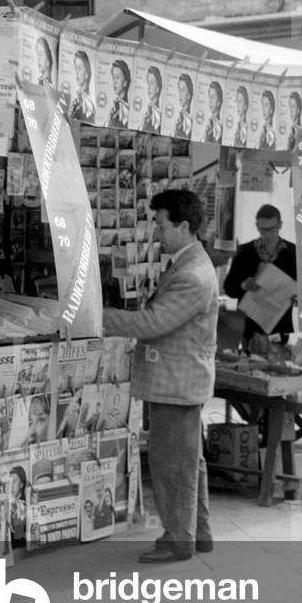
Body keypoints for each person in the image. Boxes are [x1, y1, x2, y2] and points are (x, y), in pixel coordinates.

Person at [102, 189, 217, 563]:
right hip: (179, 379)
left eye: (162, 225)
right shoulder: (186, 264)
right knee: (187, 461)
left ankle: (176, 539)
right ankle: (196, 532)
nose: (157, 233)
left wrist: (95, 316)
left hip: (177, 382)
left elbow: (154, 322)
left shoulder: (193, 275)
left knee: (172, 464)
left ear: (184, 226)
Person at [223, 203, 298, 350]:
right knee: (250, 365)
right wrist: (243, 285)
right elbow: (229, 288)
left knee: (277, 365)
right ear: (257, 226)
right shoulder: (245, 252)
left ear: (280, 225)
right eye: (263, 230)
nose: (268, 234)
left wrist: (297, 296)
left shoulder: (293, 253)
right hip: (250, 325)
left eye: (272, 229)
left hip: (280, 325)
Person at [70, 50, 96, 123]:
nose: (77, 72)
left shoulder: (87, 105)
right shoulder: (77, 101)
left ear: (87, 73)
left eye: (80, 68)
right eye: (76, 68)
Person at [108, 60, 131, 128]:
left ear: (125, 82)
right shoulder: (115, 108)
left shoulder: (124, 110)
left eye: (118, 77)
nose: (114, 81)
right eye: (113, 77)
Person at [7, 466, 28, 541]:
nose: (11, 486)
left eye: (14, 482)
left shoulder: (22, 506)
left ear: (21, 484)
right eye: (10, 482)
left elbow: (18, 535)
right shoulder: (10, 502)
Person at [142, 67, 162, 133]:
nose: (149, 87)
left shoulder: (156, 115)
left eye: (152, 83)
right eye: (148, 83)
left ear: (158, 88)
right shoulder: (148, 113)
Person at [174, 74, 194, 139]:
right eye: (179, 90)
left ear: (189, 95)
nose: (180, 94)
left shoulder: (187, 120)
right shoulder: (181, 117)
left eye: (183, 90)